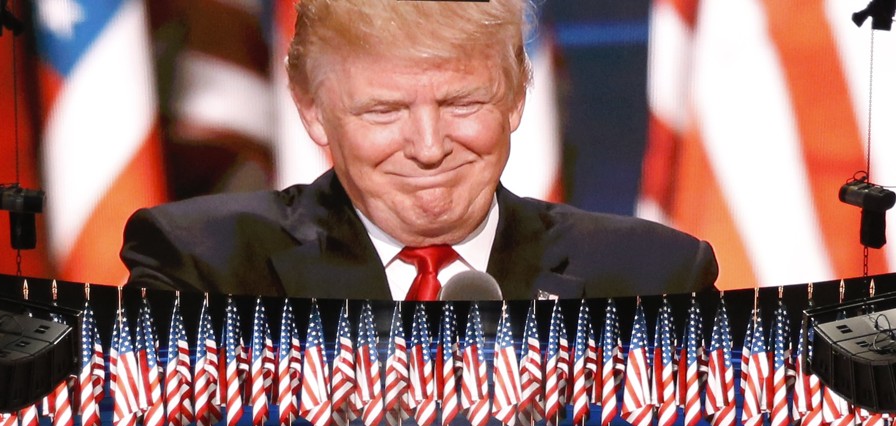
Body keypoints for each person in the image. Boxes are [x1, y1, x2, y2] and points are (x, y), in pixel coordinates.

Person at [121, 0, 718, 300]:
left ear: (514, 95)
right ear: (310, 107)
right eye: (384, 111)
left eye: (461, 103)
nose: (429, 148)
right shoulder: (202, 271)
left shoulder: (654, 280)